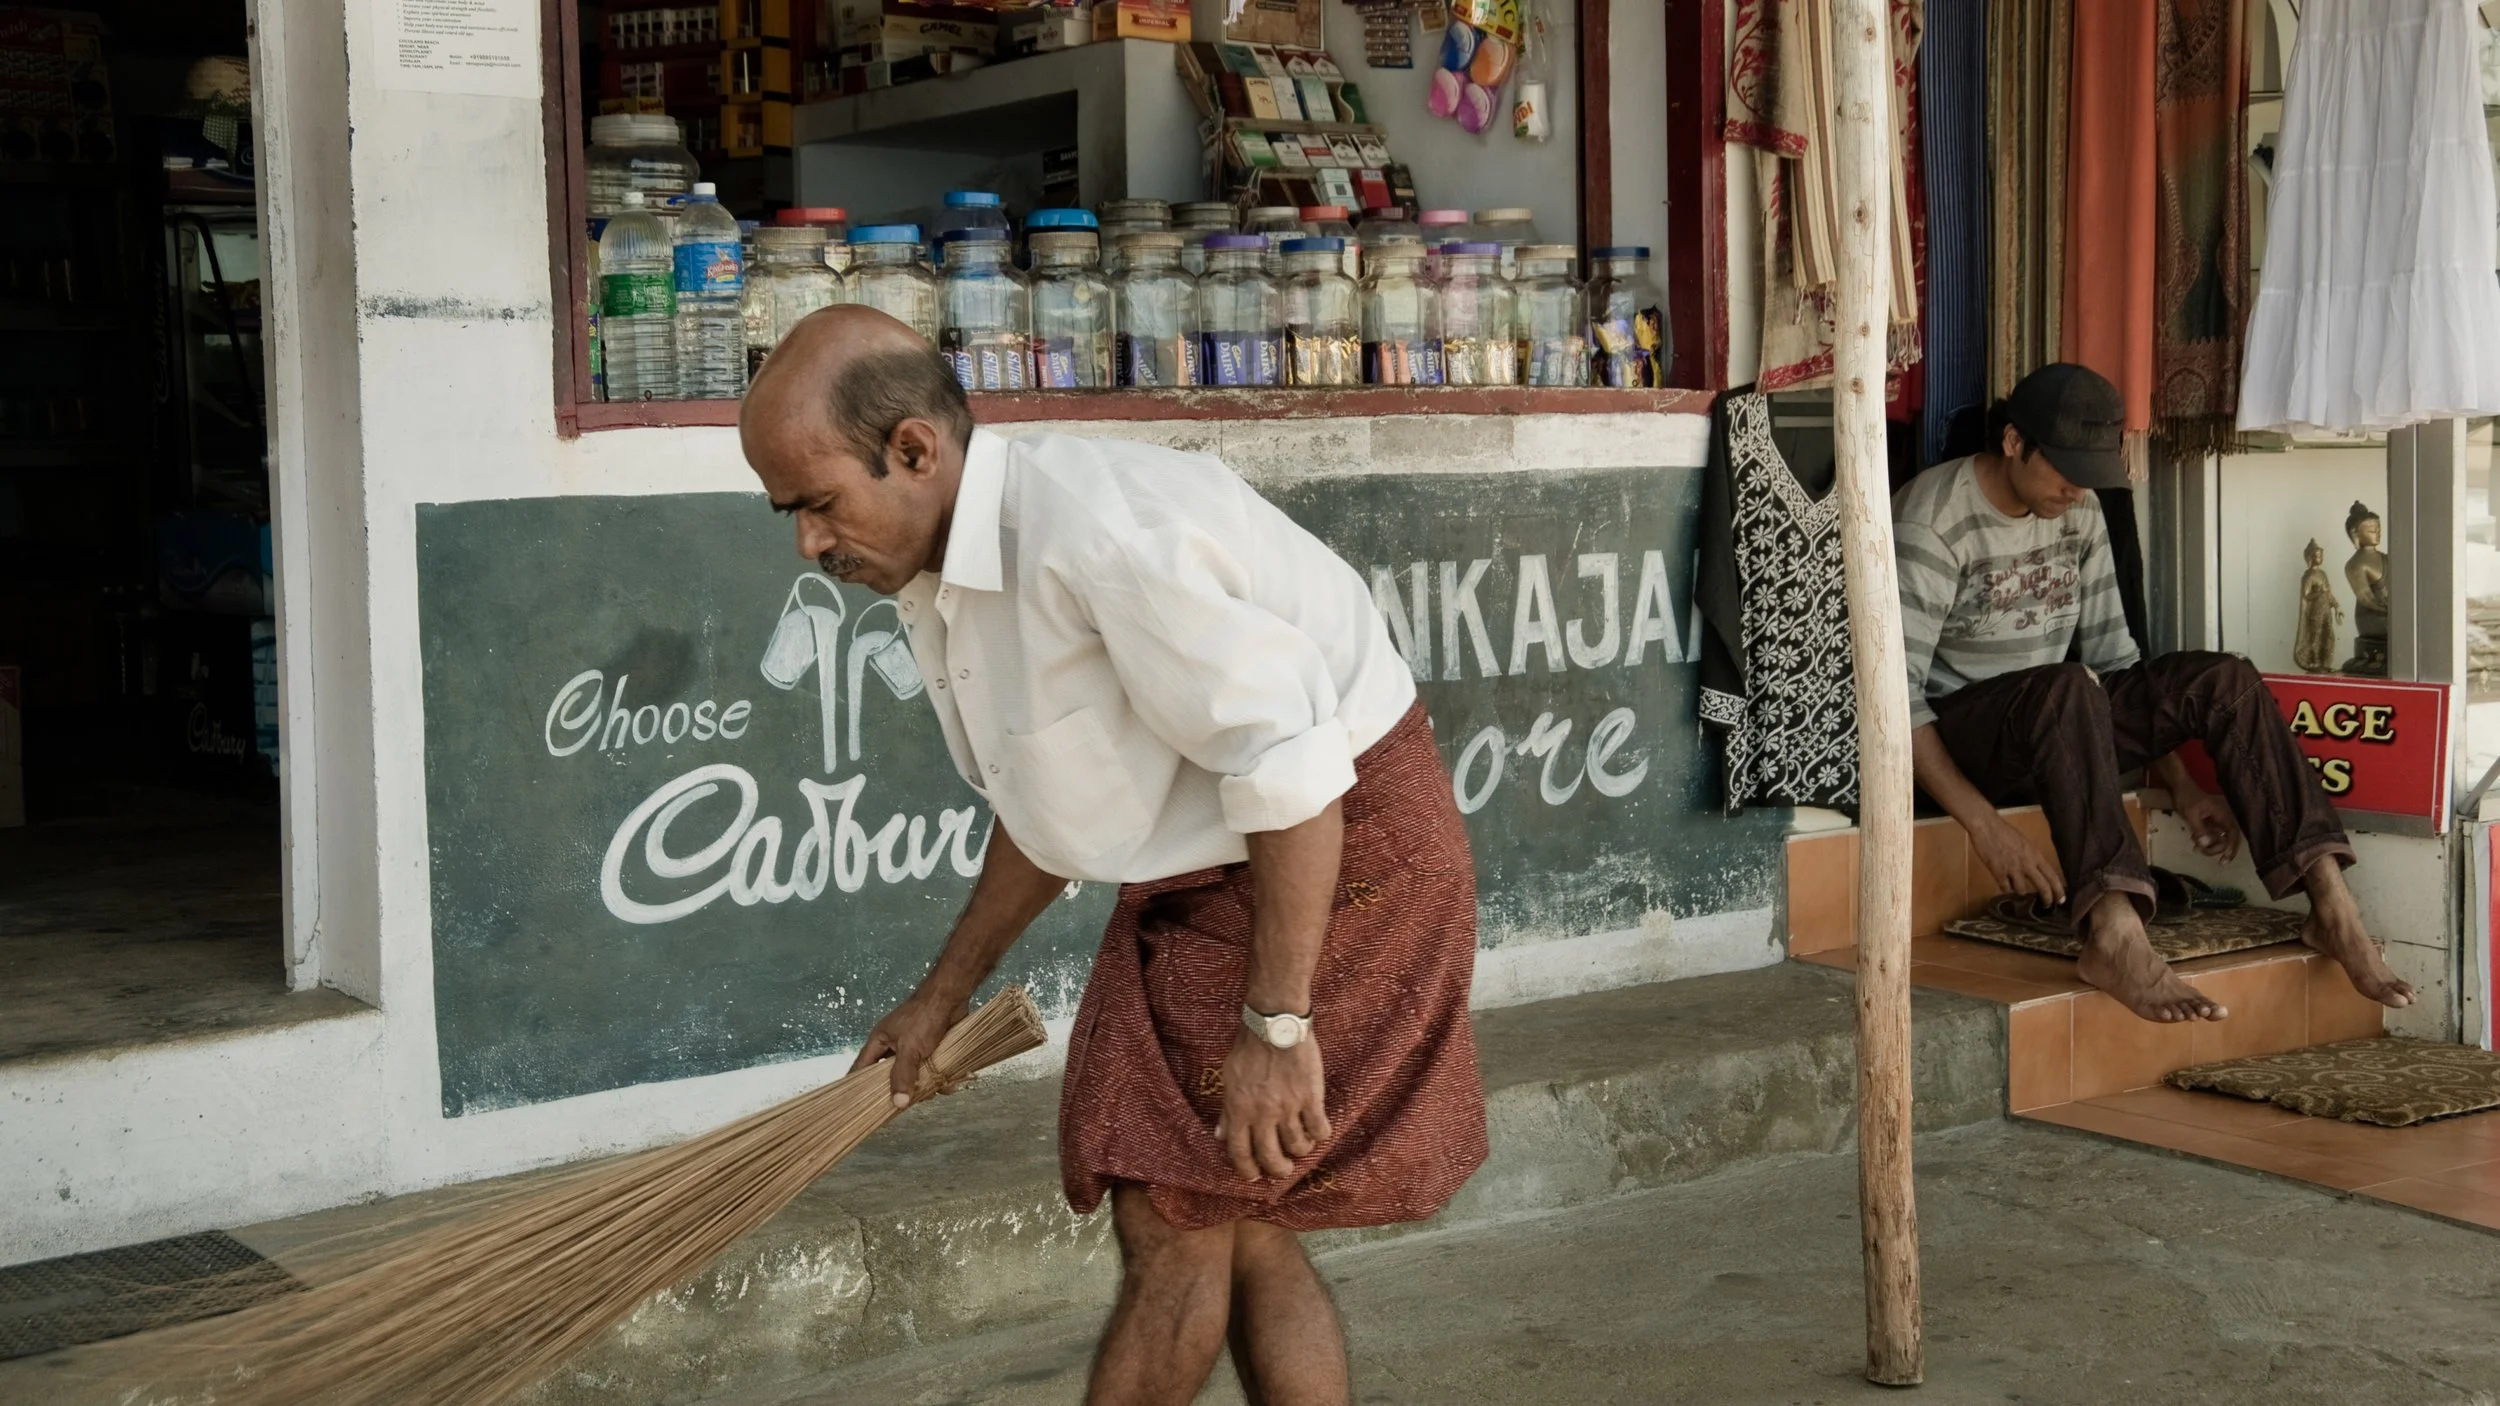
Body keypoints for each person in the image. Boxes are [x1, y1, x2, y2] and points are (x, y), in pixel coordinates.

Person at [738, 305, 1487, 1406]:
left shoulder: (1099, 536)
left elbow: (1293, 772)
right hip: (1232, 854)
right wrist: (940, 996)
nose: (805, 541)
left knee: (1177, 1211)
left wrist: (1277, 1026)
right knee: (1238, 1215)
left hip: (1337, 846)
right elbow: (1046, 805)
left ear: (912, 450)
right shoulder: (943, 572)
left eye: (816, 503)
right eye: (787, 513)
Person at [1893, 362, 2413, 1025]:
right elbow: (1893, 702)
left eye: (2089, 473)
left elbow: (2115, 663)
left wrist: (2184, 787)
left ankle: (2334, 909)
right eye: (2065, 469)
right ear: (2015, 441)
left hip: (2061, 725)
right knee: (2067, 689)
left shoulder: (2078, 510)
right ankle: (2113, 935)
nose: (2077, 490)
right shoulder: (1933, 519)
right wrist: (1985, 826)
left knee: (2223, 681)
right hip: (1966, 741)